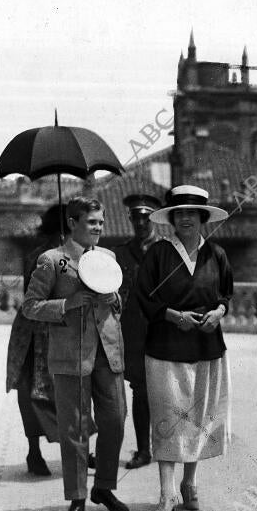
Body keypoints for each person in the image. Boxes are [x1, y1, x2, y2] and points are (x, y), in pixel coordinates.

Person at [23, 196, 128, 511]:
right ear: (73, 222)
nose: (99, 227)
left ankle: (104, 487)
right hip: (70, 356)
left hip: (108, 352)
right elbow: (30, 306)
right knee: (74, 428)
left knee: (115, 420)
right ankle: (77, 498)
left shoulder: (108, 258)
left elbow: (116, 305)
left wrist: (115, 299)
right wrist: (67, 303)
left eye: (101, 221)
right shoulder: (52, 261)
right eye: (92, 222)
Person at [136, 185, 232, 511]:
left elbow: (225, 296)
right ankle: (166, 492)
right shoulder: (158, 253)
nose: (187, 217)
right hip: (165, 349)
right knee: (169, 420)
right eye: (180, 213)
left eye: (193, 212)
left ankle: (190, 484)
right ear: (172, 219)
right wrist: (174, 316)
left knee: (199, 418)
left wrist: (218, 313)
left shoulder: (217, 254)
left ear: (204, 217)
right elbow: (143, 297)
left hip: (207, 347)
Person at [6, 205, 67, 476]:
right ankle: (34, 452)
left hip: (60, 331)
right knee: (33, 392)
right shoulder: (41, 257)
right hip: (36, 333)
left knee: (72, 391)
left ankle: (77, 450)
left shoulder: (77, 255)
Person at [114, 193, 164, 470]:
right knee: (139, 389)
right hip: (133, 330)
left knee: (167, 389)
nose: (141, 223)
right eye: (136, 217)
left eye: (146, 217)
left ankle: (167, 447)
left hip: (162, 327)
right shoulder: (121, 252)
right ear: (130, 220)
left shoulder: (166, 249)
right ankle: (144, 450)